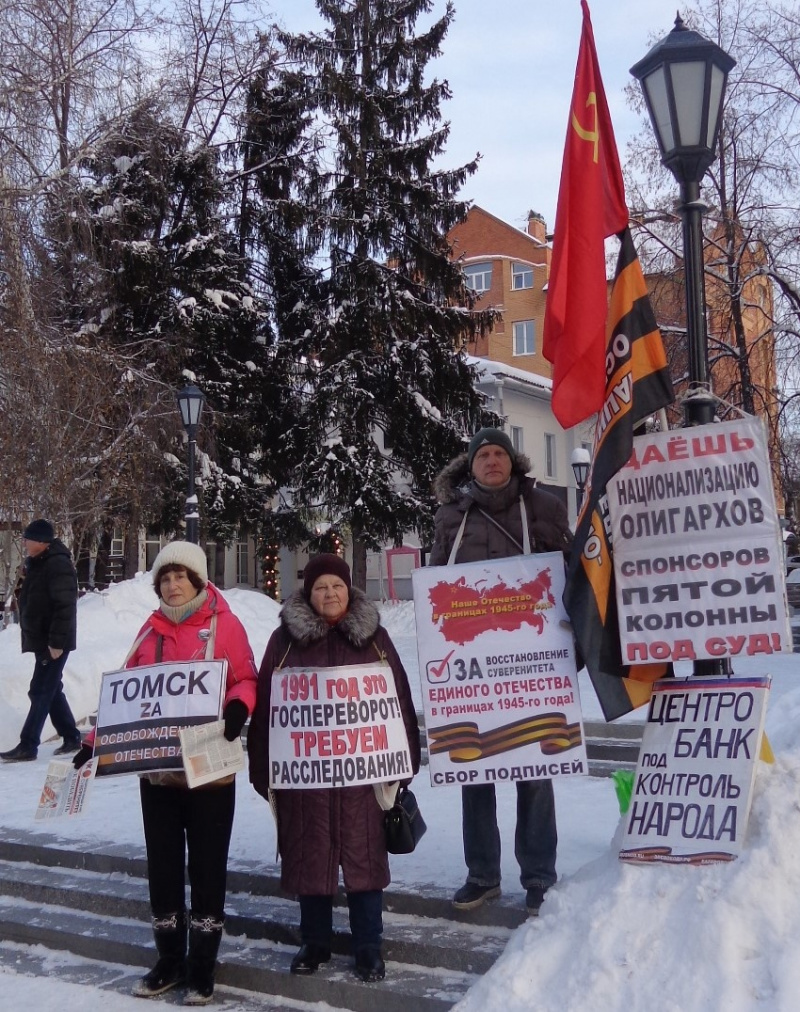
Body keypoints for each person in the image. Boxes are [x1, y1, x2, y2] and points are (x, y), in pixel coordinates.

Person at [74, 540, 257, 1005]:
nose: (173, 585)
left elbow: (246, 678)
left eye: (182, 577)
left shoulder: (225, 626)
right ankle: (170, 959)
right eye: (165, 578)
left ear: (198, 580)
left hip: (208, 771)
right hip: (157, 772)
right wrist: (94, 744)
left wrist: (238, 708)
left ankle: (203, 965)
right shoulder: (148, 632)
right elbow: (128, 699)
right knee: (163, 866)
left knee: (208, 865)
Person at [248, 554, 421, 984]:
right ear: (309, 593)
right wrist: (263, 766)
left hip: (362, 777)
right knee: (311, 857)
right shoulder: (284, 642)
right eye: (321, 587)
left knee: (365, 860)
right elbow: (269, 703)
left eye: (337, 586)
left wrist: (404, 760)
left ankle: (368, 946)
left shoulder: (375, 639)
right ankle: (315, 942)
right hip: (305, 778)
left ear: (349, 591)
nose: (330, 594)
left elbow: (397, 698)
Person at [428, 427, 573, 916]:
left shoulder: (545, 508)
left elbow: (569, 575)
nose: (492, 461)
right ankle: (483, 875)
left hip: (530, 665)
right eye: (483, 455)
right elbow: (436, 590)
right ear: (470, 466)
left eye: (499, 453)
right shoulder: (452, 517)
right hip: (474, 673)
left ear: (513, 461)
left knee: (534, 769)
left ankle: (538, 876)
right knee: (475, 769)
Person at [1, 519, 81, 762]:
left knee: (40, 690)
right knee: (51, 688)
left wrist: (56, 643)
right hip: (43, 639)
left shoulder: (57, 564)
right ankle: (70, 736)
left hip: (54, 641)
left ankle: (28, 745)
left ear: (41, 542)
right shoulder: (39, 561)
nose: (23, 542)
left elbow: (65, 606)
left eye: (27, 538)